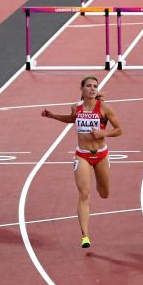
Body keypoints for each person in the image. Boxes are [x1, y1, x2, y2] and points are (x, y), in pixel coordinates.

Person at [40, 76, 122, 248]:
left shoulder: (105, 108)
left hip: (100, 154)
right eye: (89, 86)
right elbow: (72, 119)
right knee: (84, 194)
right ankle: (85, 236)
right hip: (82, 154)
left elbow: (119, 129)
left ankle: (102, 183)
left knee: (104, 193)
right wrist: (52, 116)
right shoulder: (76, 108)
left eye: (95, 86)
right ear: (82, 89)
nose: (92, 89)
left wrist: (103, 134)